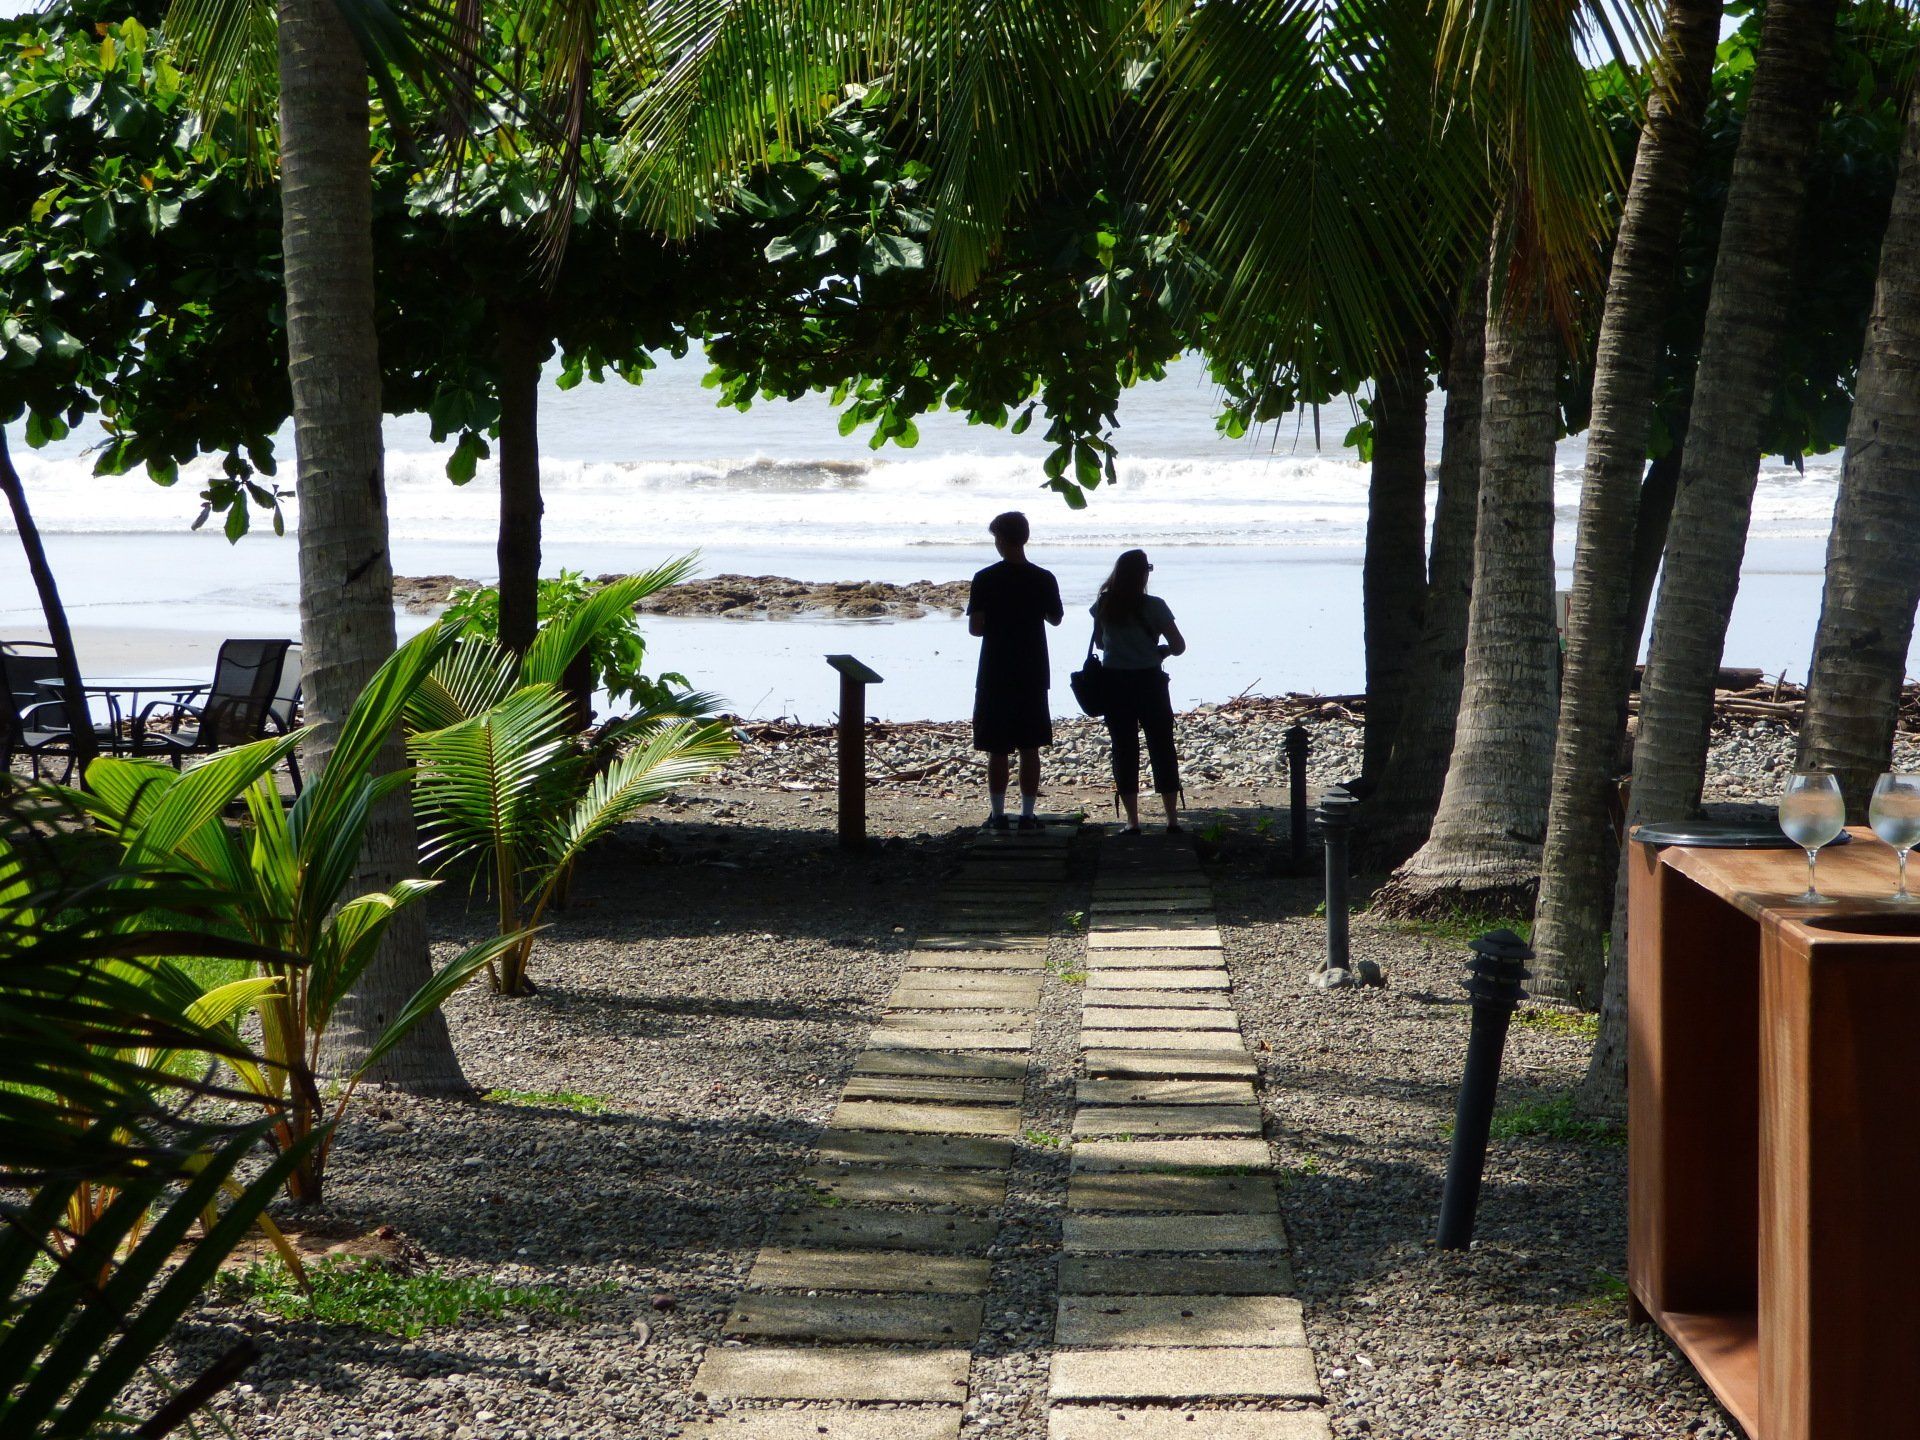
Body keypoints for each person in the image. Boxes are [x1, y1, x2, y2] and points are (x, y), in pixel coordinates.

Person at [967, 511, 1064, 830]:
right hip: (1032, 667)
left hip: (996, 668)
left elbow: (976, 630)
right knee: (1029, 745)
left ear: (999, 540)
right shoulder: (1043, 577)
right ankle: (1027, 813)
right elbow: (1055, 618)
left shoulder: (985, 578)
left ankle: (997, 815)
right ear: (1024, 538)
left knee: (996, 746)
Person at [1091, 548, 1187, 833]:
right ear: (1144, 574)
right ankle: (1171, 819)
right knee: (1162, 747)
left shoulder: (1104, 604)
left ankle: (1132, 821)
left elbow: (1099, 643)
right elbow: (1179, 646)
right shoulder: (1155, 606)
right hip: (1149, 682)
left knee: (1124, 749)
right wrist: (1161, 651)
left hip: (1114, 682)